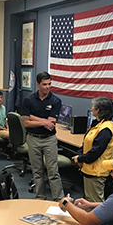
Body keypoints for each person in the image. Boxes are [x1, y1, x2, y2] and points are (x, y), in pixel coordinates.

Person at [22, 71, 64, 201]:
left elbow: (50, 124)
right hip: (33, 139)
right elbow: (26, 123)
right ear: (38, 85)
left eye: (49, 84)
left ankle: (59, 200)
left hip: (49, 139)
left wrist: (34, 118)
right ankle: (40, 197)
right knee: (37, 171)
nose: (47, 87)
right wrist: (43, 121)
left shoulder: (55, 101)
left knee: (53, 172)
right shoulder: (28, 100)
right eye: (44, 84)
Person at [72, 97, 113, 202]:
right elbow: (86, 143)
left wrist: (80, 158)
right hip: (88, 169)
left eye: (93, 107)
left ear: (98, 110)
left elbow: (96, 152)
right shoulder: (96, 124)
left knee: (95, 202)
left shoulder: (105, 129)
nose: (91, 108)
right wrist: (80, 156)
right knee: (88, 199)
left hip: (97, 172)